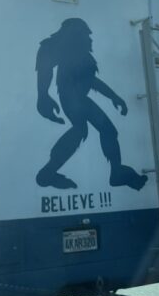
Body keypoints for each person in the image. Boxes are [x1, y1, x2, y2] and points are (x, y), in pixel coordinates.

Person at [35, 17, 147, 191]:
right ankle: (47, 173)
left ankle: (115, 172)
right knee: (85, 130)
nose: (90, 39)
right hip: (72, 99)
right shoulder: (66, 50)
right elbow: (45, 67)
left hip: (79, 99)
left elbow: (92, 81)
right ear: (76, 36)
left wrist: (114, 97)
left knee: (93, 130)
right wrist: (43, 95)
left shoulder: (80, 55)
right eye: (87, 35)